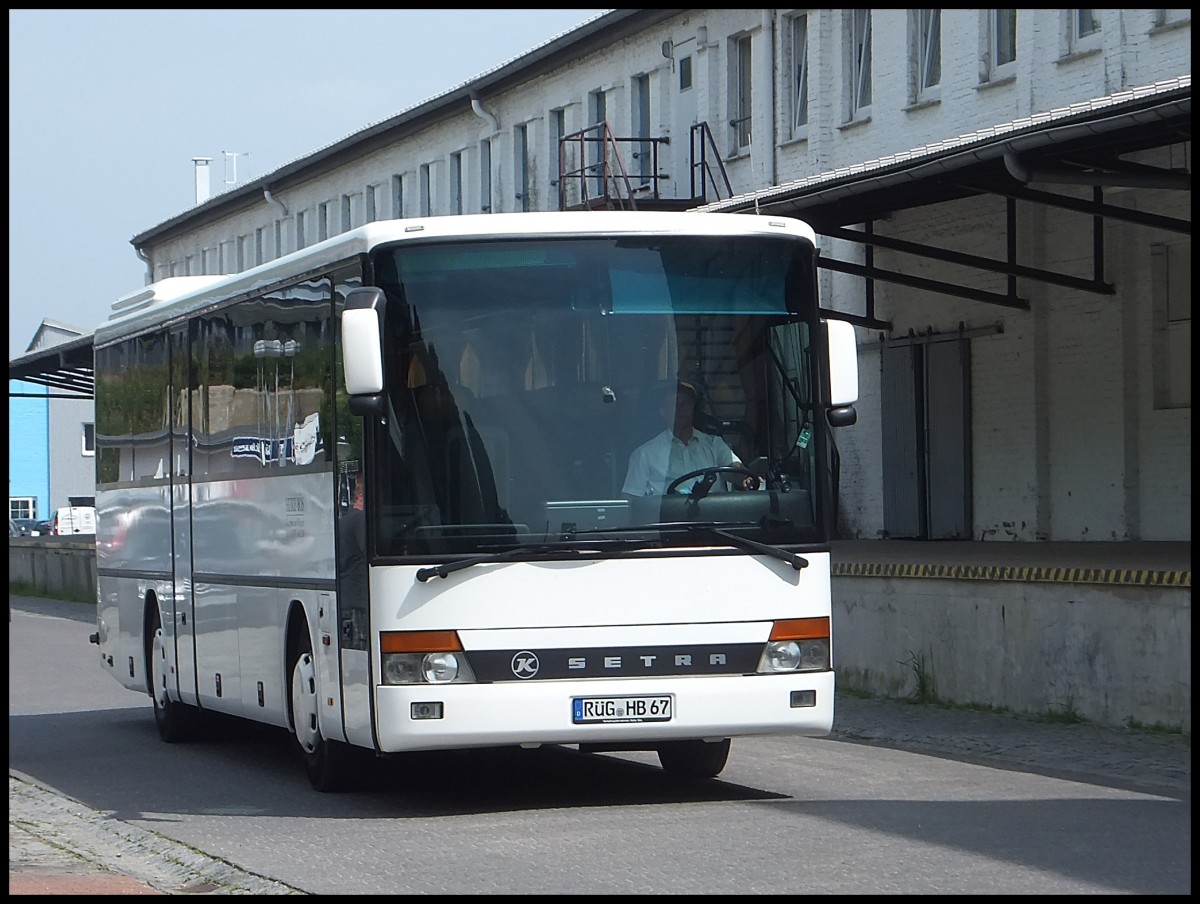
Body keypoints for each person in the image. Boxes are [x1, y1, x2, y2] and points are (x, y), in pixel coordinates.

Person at [622, 380, 760, 497]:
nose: (682, 409)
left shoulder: (714, 444)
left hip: (715, 524)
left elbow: (733, 467)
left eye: (686, 404)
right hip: (667, 526)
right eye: (676, 404)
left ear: (693, 409)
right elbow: (631, 502)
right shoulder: (644, 455)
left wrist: (744, 477)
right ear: (663, 412)